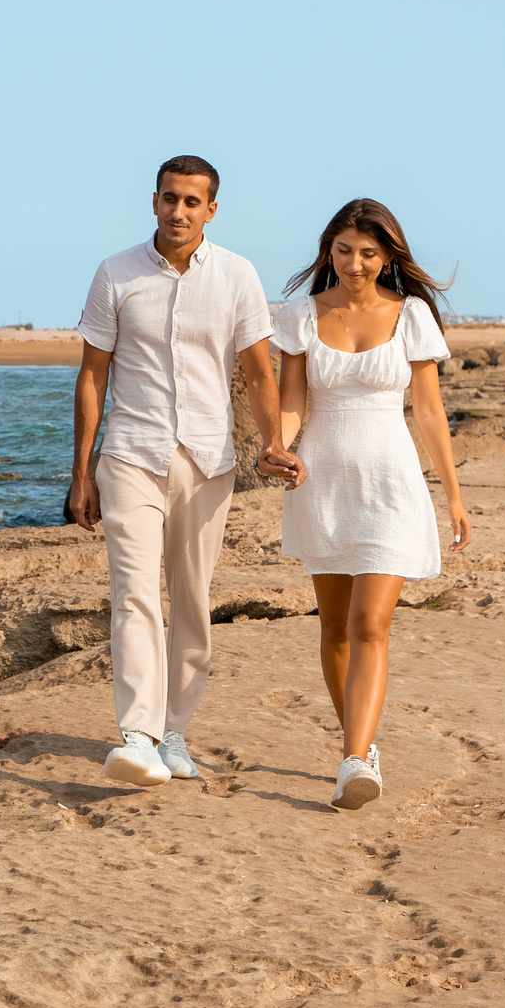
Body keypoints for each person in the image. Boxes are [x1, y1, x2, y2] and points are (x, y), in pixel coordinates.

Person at [69, 156, 302, 788]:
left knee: (192, 599)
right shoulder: (115, 273)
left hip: (207, 460)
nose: (179, 211)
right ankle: (138, 736)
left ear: (211, 210)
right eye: (169, 198)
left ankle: (173, 731)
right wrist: (81, 472)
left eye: (192, 202)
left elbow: (259, 372)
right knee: (135, 594)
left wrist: (274, 443)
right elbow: (93, 375)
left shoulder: (237, 275)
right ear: (153, 201)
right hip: (130, 454)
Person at [272, 198, 474, 809]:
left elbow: (429, 411)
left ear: (388, 256)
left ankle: (357, 760)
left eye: (367, 253)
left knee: (369, 624)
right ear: (328, 250)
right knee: (334, 627)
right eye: (343, 251)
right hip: (322, 483)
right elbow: (292, 401)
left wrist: (454, 497)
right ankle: (357, 750)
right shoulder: (300, 315)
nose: (354, 264)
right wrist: (278, 447)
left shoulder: (411, 315)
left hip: (391, 485)